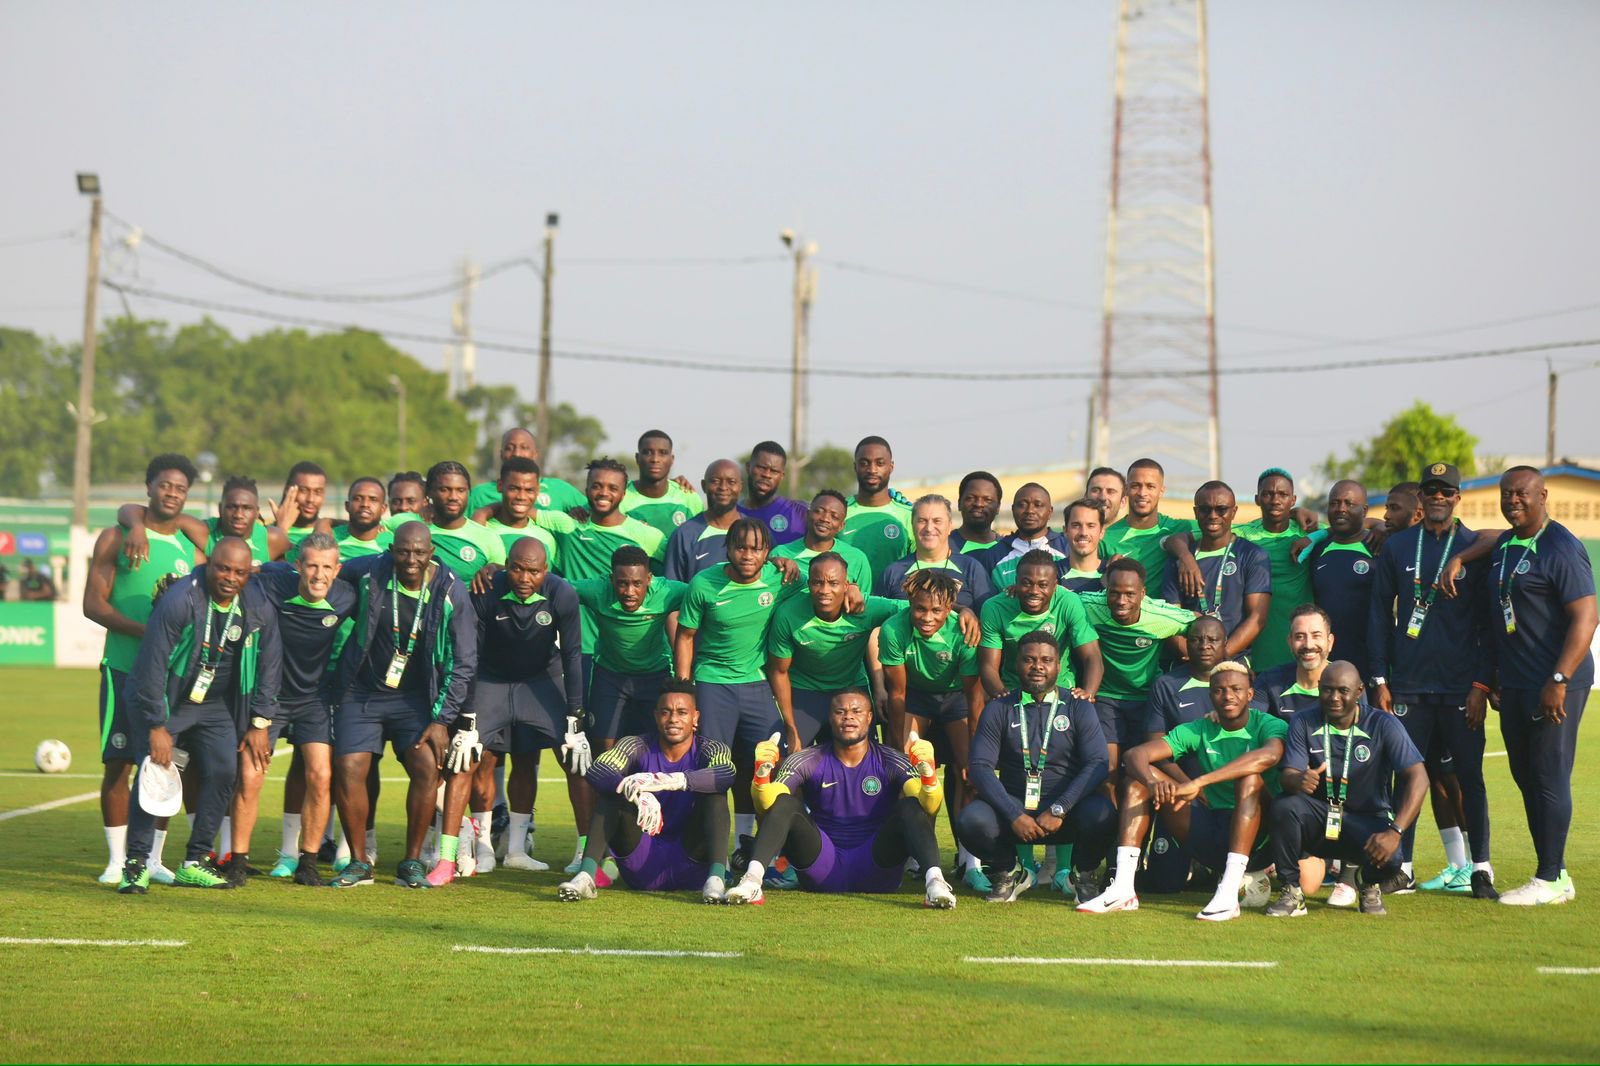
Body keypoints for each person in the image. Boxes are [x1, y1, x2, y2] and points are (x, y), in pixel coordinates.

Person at [117, 537, 282, 893]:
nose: (230, 577)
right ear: (209, 563)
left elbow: (270, 662)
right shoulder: (181, 600)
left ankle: (195, 861)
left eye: (239, 572)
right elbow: (151, 666)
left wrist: (260, 721)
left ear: (249, 574)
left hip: (214, 705)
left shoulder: (256, 604)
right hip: (167, 702)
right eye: (223, 568)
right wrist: (157, 725)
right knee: (155, 772)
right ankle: (136, 864)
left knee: (224, 770)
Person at [1368, 461, 1496, 897]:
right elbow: (1378, 617)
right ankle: (1400, 866)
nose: (1438, 497)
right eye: (1431, 491)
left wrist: (1481, 684)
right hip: (1408, 686)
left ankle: (1481, 868)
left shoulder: (1473, 546)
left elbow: (1487, 625)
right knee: (1406, 776)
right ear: (1420, 500)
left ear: (1458, 498)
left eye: (1447, 491)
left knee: (1469, 777)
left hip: (1461, 688)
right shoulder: (1399, 546)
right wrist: (1380, 679)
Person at [326, 522, 477, 889]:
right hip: (362, 692)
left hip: (415, 698)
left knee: (427, 766)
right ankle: (359, 862)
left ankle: (411, 862)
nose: (411, 560)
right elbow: (324, 569)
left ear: (431, 552)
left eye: (419, 552)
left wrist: (442, 719)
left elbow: (464, 660)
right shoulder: (369, 571)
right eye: (404, 551)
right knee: (348, 766)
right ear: (392, 549)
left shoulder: (450, 589)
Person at [1079, 661, 1285, 920]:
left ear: (1250, 695)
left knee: (1250, 779)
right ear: (1211, 696)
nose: (1228, 696)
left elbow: (1269, 756)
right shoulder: (1200, 727)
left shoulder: (1269, 724)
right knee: (1137, 781)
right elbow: (1135, 755)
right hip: (1209, 826)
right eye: (1220, 690)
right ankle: (1122, 888)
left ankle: (1229, 894)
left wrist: (1200, 782)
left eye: (1236, 689)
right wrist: (1153, 783)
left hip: (1258, 840)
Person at [430, 538, 583, 885]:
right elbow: (471, 654)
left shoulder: (563, 594)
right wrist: (467, 715)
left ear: (546, 571)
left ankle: (584, 856)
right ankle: (446, 858)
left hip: (541, 682)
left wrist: (576, 716)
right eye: (517, 568)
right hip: (492, 682)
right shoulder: (487, 590)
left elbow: (573, 655)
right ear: (507, 565)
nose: (524, 577)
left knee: (575, 756)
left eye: (533, 571)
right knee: (464, 758)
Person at [84, 453, 206, 885]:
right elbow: (92, 604)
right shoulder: (115, 537)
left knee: (162, 766)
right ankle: (117, 860)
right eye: (164, 485)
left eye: (180, 488)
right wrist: (147, 632)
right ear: (149, 486)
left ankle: (152, 859)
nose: (171, 493)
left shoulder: (190, 545)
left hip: (170, 680)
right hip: (122, 668)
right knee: (118, 765)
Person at [722, 689, 954, 907]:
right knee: (786, 803)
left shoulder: (892, 760)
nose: (848, 718)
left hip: (878, 868)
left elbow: (928, 805)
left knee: (910, 806)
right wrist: (762, 776)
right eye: (840, 712)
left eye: (856, 711)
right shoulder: (807, 759)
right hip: (821, 866)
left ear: (869, 717)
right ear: (830, 718)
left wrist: (929, 776)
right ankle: (752, 882)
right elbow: (767, 804)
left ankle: (935, 884)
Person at [1484, 466, 1597, 906]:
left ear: (1543, 495)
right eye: (1507, 494)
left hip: (1554, 681)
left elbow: (1587, 617)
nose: (1514, 500)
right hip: (1515, 682)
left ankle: (1550, 877)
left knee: (1549, 774)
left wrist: (1559, 679)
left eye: (1523, 494)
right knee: (1525, 774)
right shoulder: (1504, 545)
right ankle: (1555, 871)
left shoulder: (1562, 546)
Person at [232, 534, 356, 886]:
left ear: (337, 570)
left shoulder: (345, 596)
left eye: (327, 567)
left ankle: (308, 863)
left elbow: (372, 568)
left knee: (321, 776)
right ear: (298, 566)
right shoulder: (272, 585)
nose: (319, 574)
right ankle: (238, 862)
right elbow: (248, 572)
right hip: (267, 699)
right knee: (251, 775)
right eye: (312, 565)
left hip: (314, 700)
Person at [957, 631, 1114, 903]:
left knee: (1103, 813)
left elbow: (1098, 763)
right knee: (971, 819)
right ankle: (1010, 872)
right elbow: (980, 766)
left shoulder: (1078, 707)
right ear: (1016, 664)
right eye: (1029, 659)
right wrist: (1013, 813)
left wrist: (1060, 808)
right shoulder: (999, 708)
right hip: (1015, 814)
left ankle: (1083, 874)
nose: (1037, 666)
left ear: (1058, 666)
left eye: (1046, 660)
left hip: (1066, 813)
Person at [1265, 661, 1428, 917]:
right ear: (1319, 688)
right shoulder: (1303, 721)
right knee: (1284, 806)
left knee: (1394, 856)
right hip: (1319, 819)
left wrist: (1395, 832)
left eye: (1343, 690)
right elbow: (1288, 776)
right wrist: (1298, 780)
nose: (1334, 698)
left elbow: (1418, 777)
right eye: (1327, 690)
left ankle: (1368, 882)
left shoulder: (1383, 724)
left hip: (1366, 822)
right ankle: (1291, 891)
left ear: (1360, 691)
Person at [673, 518, 792, 855]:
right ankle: (708, 851)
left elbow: (821, 584)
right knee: (713, 769)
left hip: (757, 684)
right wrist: (686, 690)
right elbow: (686, 636)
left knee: (765, 764)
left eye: (756, 548)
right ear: (728, 549)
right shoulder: (703, 584)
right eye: (741, 547)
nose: (748, 555)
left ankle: (748, 844)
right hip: (713, 684)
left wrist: (853, 589)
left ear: (767, 552)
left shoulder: (779, 577)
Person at [558, 681, 736, 902]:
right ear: (655, 716)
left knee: (716, 797)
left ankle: (717, 880)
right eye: (665, 712)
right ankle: (586, 876)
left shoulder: (710, 748)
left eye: (682, 712)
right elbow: (599, 769)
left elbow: (726, 773)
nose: (673, 719)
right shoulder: (636, 744)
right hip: (641, 862)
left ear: (696, 718)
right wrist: (635, 792)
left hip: (692, 865)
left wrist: (668, 781)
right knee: (612, 796)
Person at [879, 568, 985, 889]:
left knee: (968, 775)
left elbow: (973, 694)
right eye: (920, 609)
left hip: (956, 698)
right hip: (915, 696)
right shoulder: (893, 630)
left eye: (936, 610)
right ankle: (915, 855)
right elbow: (897, 694)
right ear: (910, 604)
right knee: (910, 775)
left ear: (950, 606)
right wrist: (898, 747)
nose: (927, 617)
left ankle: (971, 862)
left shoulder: (963, 631)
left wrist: (976, 753)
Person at [1074, 558, 1194, 776]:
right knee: (1106, 770)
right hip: (1105, 697)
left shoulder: (1161, 615)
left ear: (1142, 593)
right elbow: (1057, 599)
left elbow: (1203, 624)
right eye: (1114, 592)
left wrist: (1228, 665)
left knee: (1140, 769)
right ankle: (1110, 810)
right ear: (1106, 589)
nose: (1121, 601)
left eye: (1130, 594)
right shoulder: (1087, 605)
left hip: (1146, 699)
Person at [768, 552, 900, 747]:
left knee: (861, 760)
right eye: (817, 582)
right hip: (804, 691)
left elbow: (916, 609)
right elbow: (778, 671)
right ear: (808, 584)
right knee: (785, 759)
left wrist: (961, 609)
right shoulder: (788, 614)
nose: (824, 590)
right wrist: (791, 729)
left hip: (850, 688)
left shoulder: (867, 607)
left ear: (846, 586)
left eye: (833, 583)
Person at [1161, 481, 1271, 662]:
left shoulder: (1252, 555)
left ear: (1234, 512)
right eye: (1205, 510)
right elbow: (1170, 618)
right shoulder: (1179, 560)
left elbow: (1256, 618)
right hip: (1188, 664)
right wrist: (1193, 657)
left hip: (1233, 662)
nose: (1213, 516)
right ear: (1196, 512)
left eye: (1221, 509)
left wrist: (1221, 656)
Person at [978, 550, 1102, 699]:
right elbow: (988, 666)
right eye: (1026, 583)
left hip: (1061, 690)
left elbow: (1092, 656)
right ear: (1016, 581)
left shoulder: (1068, 602)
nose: (1034, 591)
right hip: (1013, 691)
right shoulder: (995, 608)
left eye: (1043, 585)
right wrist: (1003, 698)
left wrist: (1088, 693)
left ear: (1055, 585)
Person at [1228, 469, 1318, 671]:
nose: (1275, 500)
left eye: (1283, 495)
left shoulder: (1309, 531)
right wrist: (1185, 556)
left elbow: (1350, 528)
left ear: (1293, 499)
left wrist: (1379, 527)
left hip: (1301, 647)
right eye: (1268, 494)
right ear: (1257, 499)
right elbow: (1188, 534)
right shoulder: (1242, 535)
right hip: (1256, 647)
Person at [121, 475, 287, 568]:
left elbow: (300, 563)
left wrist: (265, 570)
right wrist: (137, 527)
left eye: (247, 508)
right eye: (232, 507)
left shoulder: (272, 539)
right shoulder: (203, 531)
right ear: (220, 508)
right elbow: (132, 510)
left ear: (257, 512)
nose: (238, 514)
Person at [1307, 480, 1376, 681]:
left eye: (1349, 503)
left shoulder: (1378, 544)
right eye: (1334, 503)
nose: (1340, 509)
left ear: (1364, 510)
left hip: (1368, 658)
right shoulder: (1318, 548)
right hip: (1325, 659)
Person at [876, 495, 993, 610]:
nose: (929, 528)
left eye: (937, 521)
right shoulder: (893, 572)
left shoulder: (971, 569)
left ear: (949, 526)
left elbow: (988, 618)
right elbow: (878, 620)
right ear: (912, 524)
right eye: (922, 521)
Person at [1099, 459, 1195, 597]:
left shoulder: (1180, 527)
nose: (1142, 493)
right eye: (1135, 486)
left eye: (1150, 486)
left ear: (1161, 491)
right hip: (1121, 615)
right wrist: (1108, 575)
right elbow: (1095, 583)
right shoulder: (1107, 537)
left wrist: (1187, 558)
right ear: (1126, 490)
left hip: (1163, 616)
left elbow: (1229, 528)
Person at [839, 436, 914, 583]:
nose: (872, 470)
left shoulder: (909, 516)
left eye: (880, 463)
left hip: (894, 604)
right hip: (845, 604)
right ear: (855, 467)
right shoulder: (838, 512)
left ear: (891, 467)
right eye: (864, 463)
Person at [417, 461, 506, 582]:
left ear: (469, 492)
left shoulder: (488, 537)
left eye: (460, 490)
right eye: (444, 489)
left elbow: (503, 579)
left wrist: (496, 569)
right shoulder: (414, 532)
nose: (453, 497)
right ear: (429, 492)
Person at [467, 427, 586, 515]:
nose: (517, 453)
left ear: (535, 454)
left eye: (524, 448)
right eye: (509, 448)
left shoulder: (561, 489)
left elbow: (593, 517)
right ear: (501, 455)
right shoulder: (479, 495)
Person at [770, 489, 872, 590]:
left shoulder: (857, 559)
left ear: (841, 526)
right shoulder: (780, 554)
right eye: (819, 511)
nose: (825, 519)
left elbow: (864, 602)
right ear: (807, 514)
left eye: (834, 516)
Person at [979, 483, 1072, 591]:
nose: (1030, 511)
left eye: (1038, 505)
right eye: (1022, 505)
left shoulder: (1067, 548)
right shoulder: (992, 556)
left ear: (1050, 512)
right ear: (1013, 509)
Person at [663, 459, 743, 581]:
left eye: (731, 482)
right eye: (715, 481)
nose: (723, 487)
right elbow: (673, 589)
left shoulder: (756, 533)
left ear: (740, 487)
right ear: (703, 486)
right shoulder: (684, 535)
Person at [1255, 604, 1337, 721]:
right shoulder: (1269, 681)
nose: (1308, 645)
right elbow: (1252, 724)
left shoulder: (1347, 683)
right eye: (1300, 637)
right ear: (1290, 642)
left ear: (1330, 642)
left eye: (1316, 636)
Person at [474, 457, 559, 566]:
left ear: (537, 490)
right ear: (500, 486)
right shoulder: (481, 529)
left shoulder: (547, 539)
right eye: (514, 488)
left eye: (529, 490)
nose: (521, 497)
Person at [621, 429, 702, 539]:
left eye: (663, 453)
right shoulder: (619, 496)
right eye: (648, 452)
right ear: (637, 458)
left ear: (672, 459)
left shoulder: (689, 498)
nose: (655, 459)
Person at [738, 441, 808, 547]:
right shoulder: (732, 514)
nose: (767, 475)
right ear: (748, 467)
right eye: (761, 467)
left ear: (782, 476)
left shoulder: (800, 513)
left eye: (774, 471)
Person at [329, 477, 394, 560]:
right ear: (347, 506)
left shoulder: (394, 543)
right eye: (358, 499)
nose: (365, 504)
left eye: (373, 499)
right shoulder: (329, 538)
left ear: (383, 509)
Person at [273, 461, 329, 548]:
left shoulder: (333, 533)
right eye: (303, 490)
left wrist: (327, 521)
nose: (310, 499)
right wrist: (281, 529)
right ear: (288, 490)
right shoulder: (265, 534)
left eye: (318, 492)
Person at [1060, 498, 1109, 593]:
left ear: (1102, 532)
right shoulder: (1051, 575)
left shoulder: (1114, 576)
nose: (1083, 533)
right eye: (1076, 525)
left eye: (1091, 526)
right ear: (1065, 530)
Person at [951, 471, 1003, 554]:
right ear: (959, 503)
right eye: (971, 498)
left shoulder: (1009, 550)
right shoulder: (942, 547)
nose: (978, 504)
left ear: (998, 507)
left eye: (987, 500)